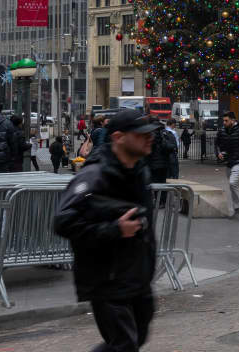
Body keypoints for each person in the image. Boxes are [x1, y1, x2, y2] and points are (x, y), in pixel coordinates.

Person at [53, 109, 161, 351]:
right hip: (106, 279)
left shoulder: (139, 171)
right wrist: (114, 229)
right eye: (141, 134)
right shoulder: (93, 176)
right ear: (119, 137)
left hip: (137, 275)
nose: (149, 138)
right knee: (124, 343)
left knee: (134, 340)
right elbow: (63, 222)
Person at [215, 112, 239, 219]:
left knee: (232, 183)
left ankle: (238, 208)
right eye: (223, 120)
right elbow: (217, 143)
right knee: (233, 185)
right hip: (229, 162)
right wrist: (218, 153)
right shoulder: (222, 131)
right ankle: (237, 210)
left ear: (233, 120)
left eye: (226, 120)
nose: (224, 122)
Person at [0, 102, 16, 174]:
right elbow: (12, 142)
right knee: (1, 180)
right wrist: (13, 156)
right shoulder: (7, 123)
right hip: (2, 158)